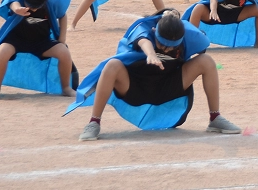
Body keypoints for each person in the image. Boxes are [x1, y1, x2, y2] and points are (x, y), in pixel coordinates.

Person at [69, 9, 240, 140]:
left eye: (171, 47)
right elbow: (142, 40)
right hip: (135, 89)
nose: (166, 49)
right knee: (112, 65)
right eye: (162, 44)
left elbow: (200, 44)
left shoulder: (186, 35)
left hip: (168, 89)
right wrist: (150, 54)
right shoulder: (143, 28)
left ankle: (215, 117)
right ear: (154, 30)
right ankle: (94, 122)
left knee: (206, 61)